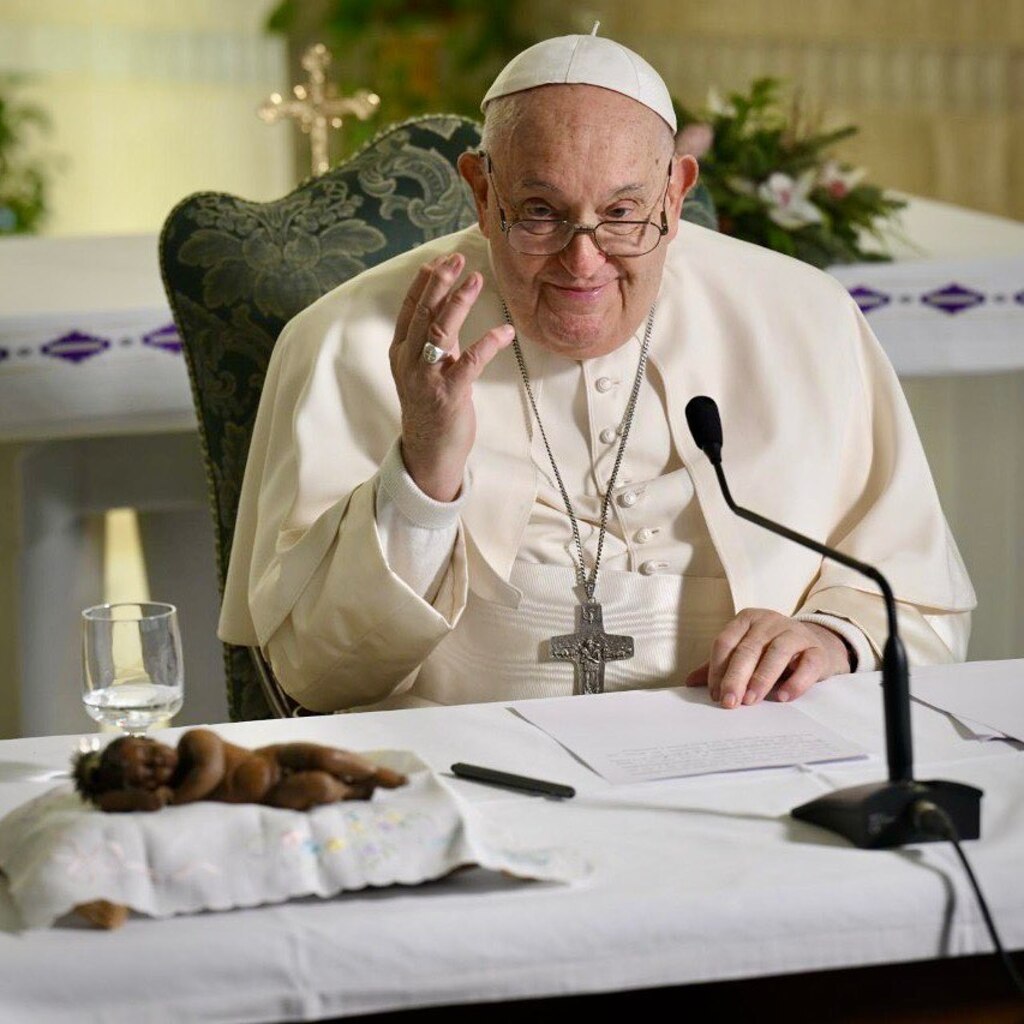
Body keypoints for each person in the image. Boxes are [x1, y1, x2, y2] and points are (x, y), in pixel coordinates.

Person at [218, 30, 975, 714]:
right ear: (482, 193)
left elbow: (914, 595)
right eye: (541, 211)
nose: (584, 262)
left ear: (676, 195)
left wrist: (833, 636)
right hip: (469, 767)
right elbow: (314, 674)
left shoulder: (806, 319)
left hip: (748, 758)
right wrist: (422, 467)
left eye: (622, 214)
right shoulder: (346, 339)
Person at [73, 729, 407, 812]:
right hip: (271, 794)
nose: (157, 763)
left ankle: (373, 772)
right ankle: (351, 791)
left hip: (277, 759)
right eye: (146, 774)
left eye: (149, 752)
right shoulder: (163, 793)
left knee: (329, 757)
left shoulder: (194, 742)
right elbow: (107, 804)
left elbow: (211, 771)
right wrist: (139, 798)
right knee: (317, 786)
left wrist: (174, 797)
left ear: (148, 738)